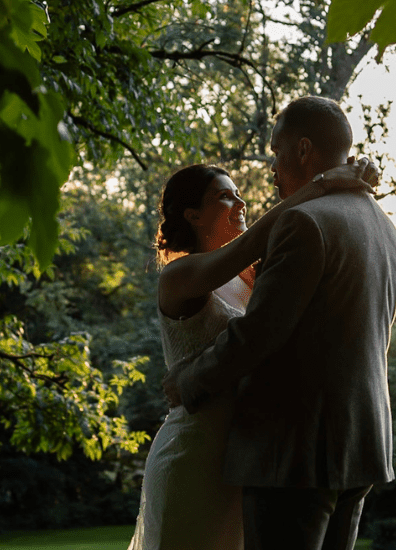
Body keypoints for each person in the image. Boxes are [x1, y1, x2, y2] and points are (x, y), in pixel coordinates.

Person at [163, 96, 396, 550]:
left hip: (295, 451)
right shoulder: (385, 228)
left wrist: (188, 379)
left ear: (303, 150)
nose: (271, 167)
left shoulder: (303, 223)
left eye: (276, 152)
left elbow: (259, 335)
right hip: (361, 443)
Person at [128, 156, 378, 550]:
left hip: (247, 454)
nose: (241, 203)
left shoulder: (251, 275)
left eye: (240, 194)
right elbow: (254, 240)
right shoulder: (180, 275)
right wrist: (321, 183)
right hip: (195, 452)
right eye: (225, 197)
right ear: (193, 215)